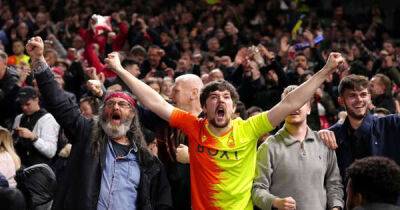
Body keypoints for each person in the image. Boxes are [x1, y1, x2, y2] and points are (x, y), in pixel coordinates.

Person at [104, 50, 345, 209]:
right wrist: (120, 70)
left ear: (233, 106)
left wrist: (325, 71)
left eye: (227, 97)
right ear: (205, 107)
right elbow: (155, 102)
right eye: (214, 97)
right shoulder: (194, 126)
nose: (221, 100)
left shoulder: (249, 128)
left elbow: (291, 102)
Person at [25, 36, 172, 210]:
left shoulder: (147, 160)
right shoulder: (86, 133)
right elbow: (60, 104)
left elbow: (161, 202)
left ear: (133, 114)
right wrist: (39, 61)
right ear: (103, 112)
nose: (115, 106)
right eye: (110, 104)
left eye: (122, 104)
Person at [252, 85, 344, 210]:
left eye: (300, 102)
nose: (294, 107)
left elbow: (334, 184)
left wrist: (336, 207)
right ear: (281, 109)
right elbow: (257, 189)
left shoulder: (324, 143)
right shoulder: (268, 147)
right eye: (288, 103)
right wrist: (276, 202)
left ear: (309, 109)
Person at [319, 75, 400, 179]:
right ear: (341, 101)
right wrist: (318, 135)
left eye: (363, 94)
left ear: (369, 97)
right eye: (352, 95)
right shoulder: (332, 135)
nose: (359, 99)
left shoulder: (390, 124)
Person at [12, 86, 60, 167]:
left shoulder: (48, 119)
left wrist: (33, 137)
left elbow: (51, 152)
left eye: (27, 104)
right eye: (21, 104)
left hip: (38, 170)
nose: (24, 107)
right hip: (18, 167)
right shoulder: (19, 118)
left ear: (37, 100)